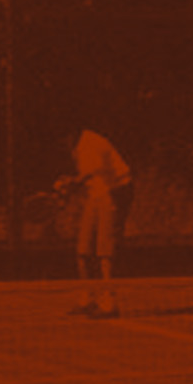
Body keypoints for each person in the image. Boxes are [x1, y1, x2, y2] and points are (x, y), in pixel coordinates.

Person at [58, 125, 133, 319]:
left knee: (105, 252)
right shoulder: (77, 147)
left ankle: (109, 302)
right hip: (95, 196)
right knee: (83, 251)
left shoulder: (91, 143)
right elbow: (88, 181)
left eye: (62, 137)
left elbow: (91, 173)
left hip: (113, 194)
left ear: (71, 133)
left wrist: (71, 183)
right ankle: (87, 298)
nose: (62, 143)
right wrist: (68, 189)